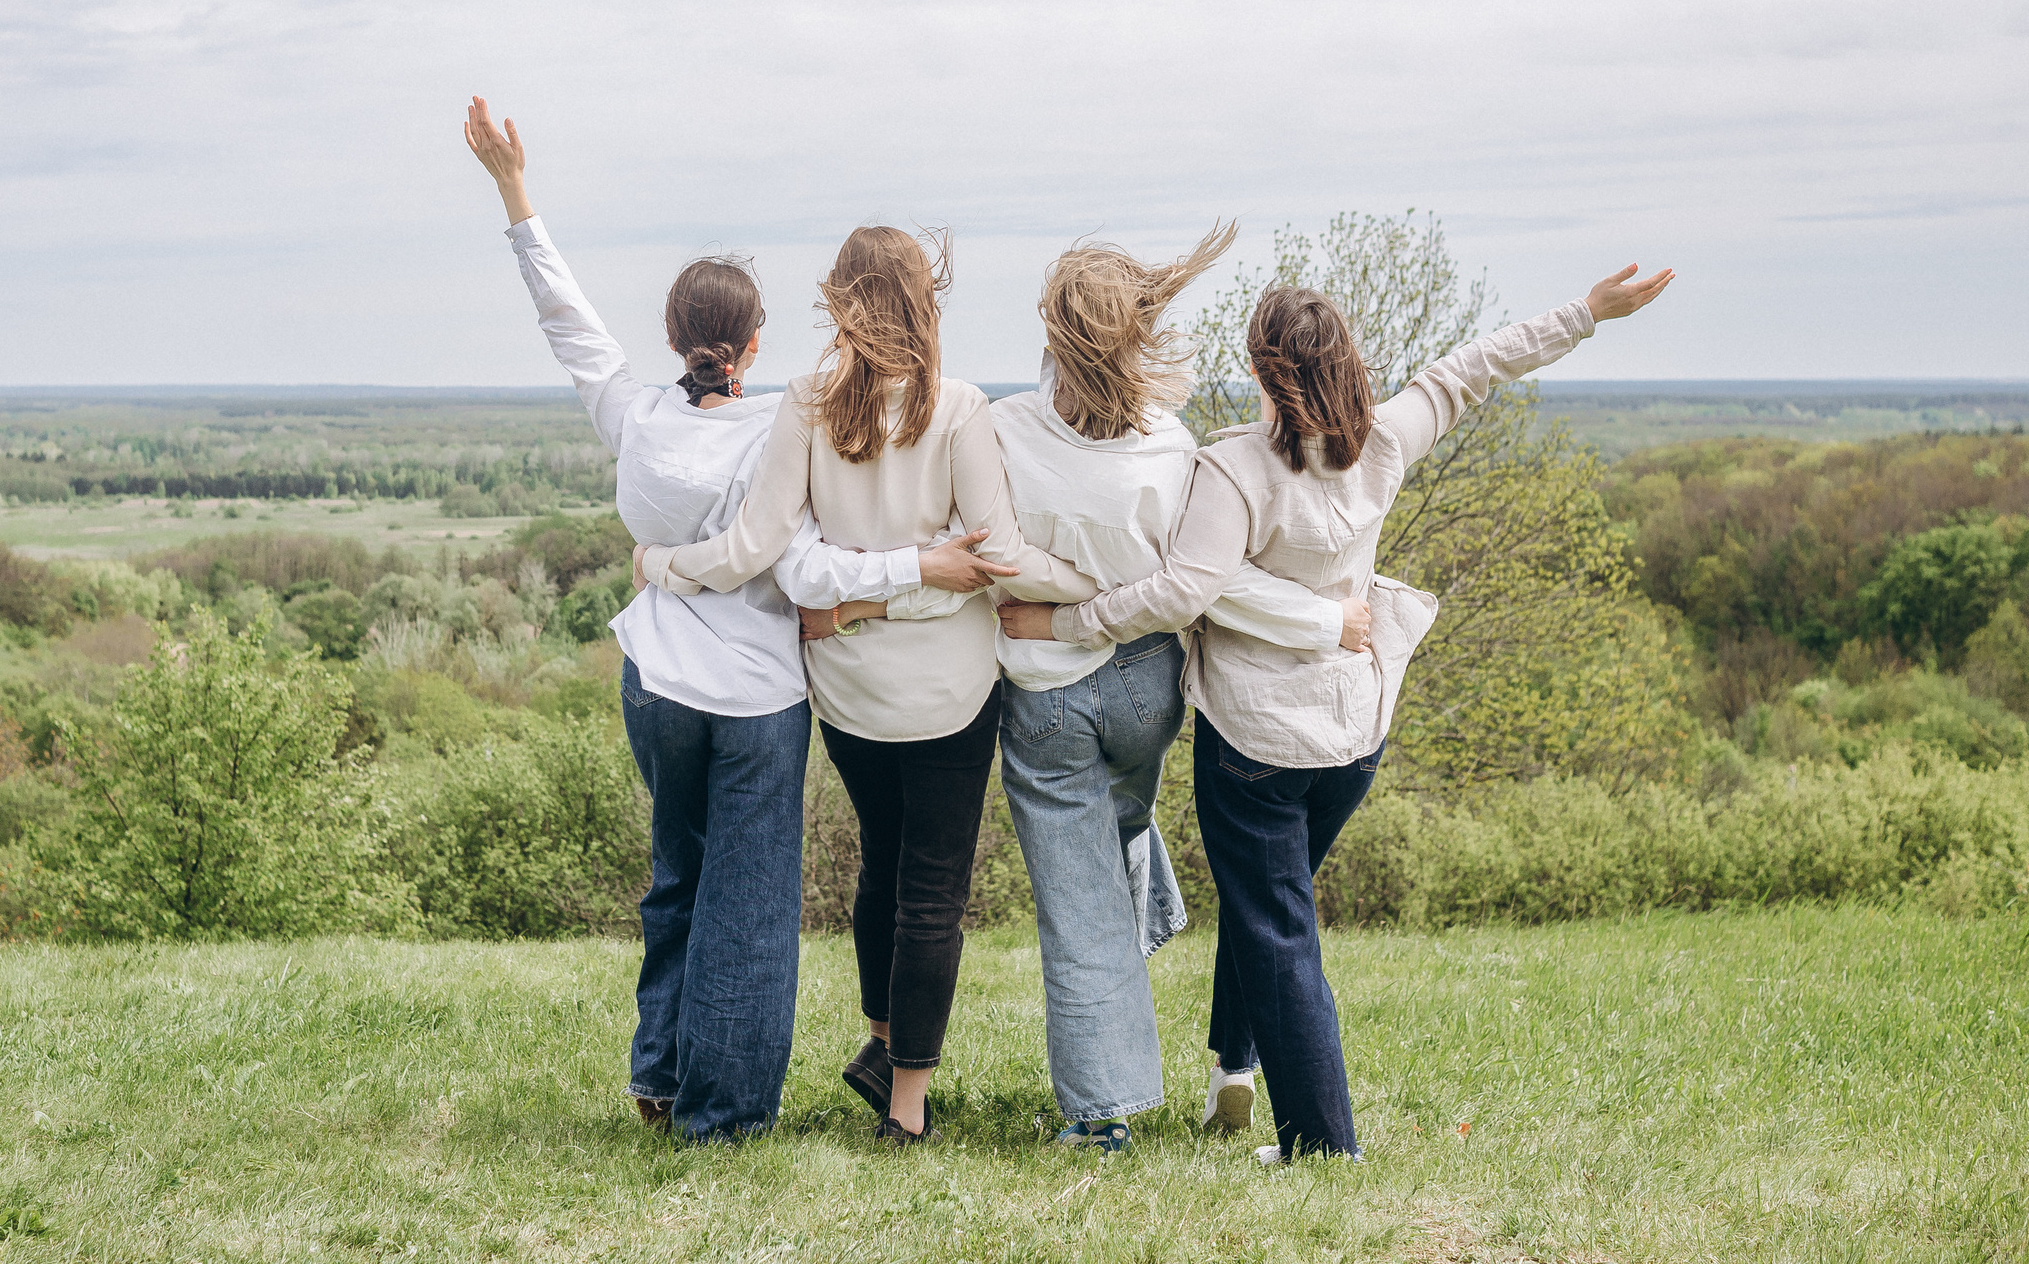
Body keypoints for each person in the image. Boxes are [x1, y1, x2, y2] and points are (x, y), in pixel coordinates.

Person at [1000, 262, 1674, 1163]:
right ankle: (1233, 1064)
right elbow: (1473, 368)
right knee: (1267, 902)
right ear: (1347, 361)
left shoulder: (1232, 469)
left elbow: (1179, 592)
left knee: (1278, 928)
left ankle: (1323, 1144)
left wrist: (1066, 619)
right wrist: (1587, 311)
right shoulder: (1385, 442)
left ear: (1264, 367)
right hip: (1355, 737)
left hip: (1255, 745)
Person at [462, 99, 1005, 1143]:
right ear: (755, 342)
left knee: (676, 879)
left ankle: (659, 1074)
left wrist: (513, 189)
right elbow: (796, 556)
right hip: (758, 697)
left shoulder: (636, 412)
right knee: (749, 908)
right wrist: (919, 557)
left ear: (671, 338)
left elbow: (565, 317)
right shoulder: (789, 414)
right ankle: (724, 1111)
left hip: (654, 685)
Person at [816, 226, 1371, 1153]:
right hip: (1149, 691)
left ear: (1057, 336)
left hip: (1052, 696)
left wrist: (1062, 603)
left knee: (1077, 913)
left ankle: (1100, 1112)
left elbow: (991, 556)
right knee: (1113, 835)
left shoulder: (1004, 427)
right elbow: (1195, 579)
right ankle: (1138, 932)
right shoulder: (1177, 444)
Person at [634, 226, 1099, 1146]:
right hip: (951, 695)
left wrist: (662, 562)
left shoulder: (804, 403)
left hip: (847, 696)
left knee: (881, 861)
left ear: (839, 300)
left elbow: (761, 553)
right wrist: (1097, 586)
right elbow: (996, 557)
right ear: (927, 301)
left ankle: (883, 1041)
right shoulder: (960, 407)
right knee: (932, 888)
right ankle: (907, 1109)